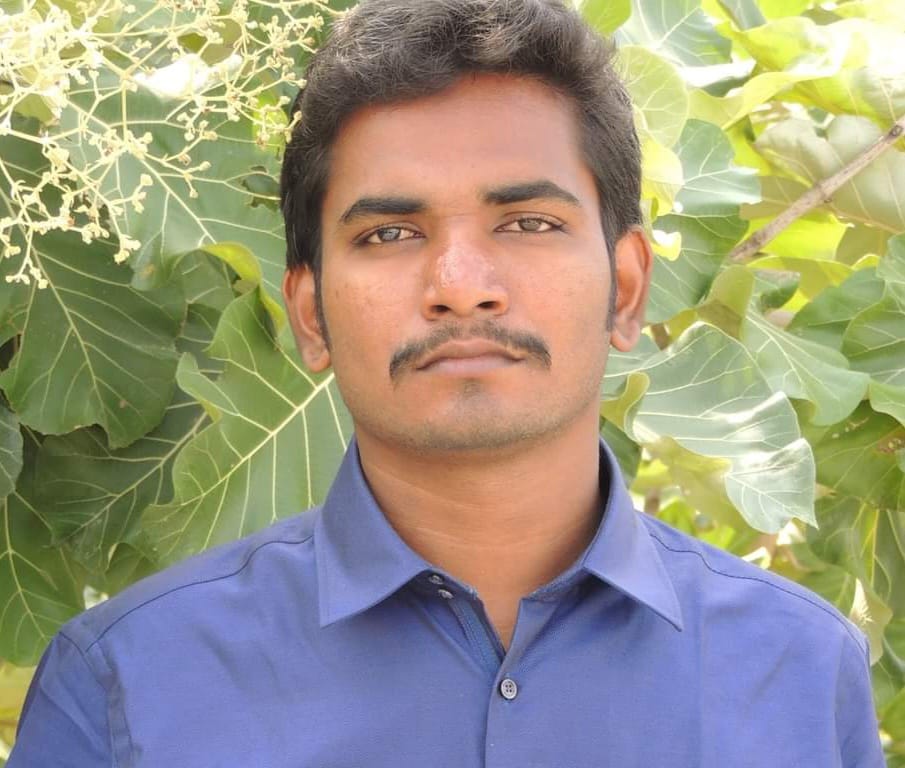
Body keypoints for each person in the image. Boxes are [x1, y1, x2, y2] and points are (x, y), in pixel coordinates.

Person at [10, 0, 884, 765]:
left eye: (528, 222)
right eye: (389, 235)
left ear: (625, 289)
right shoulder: (129, 683)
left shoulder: (799, 672)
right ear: (309, 315)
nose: (461, 285)